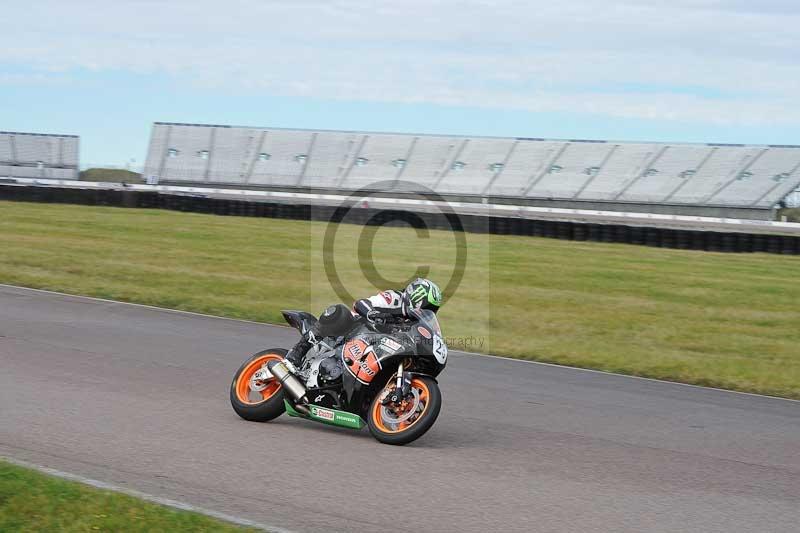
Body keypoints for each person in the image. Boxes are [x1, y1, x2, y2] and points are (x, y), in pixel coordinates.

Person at [284, 278, 443, 367]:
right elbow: (360, 304)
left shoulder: (413, 322)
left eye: (432, 309)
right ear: (417, 297)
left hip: (372, 350)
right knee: (340, 312)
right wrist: (374, 314)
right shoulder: (394, 298)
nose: (428, 311)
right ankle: (297, 352)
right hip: (350, 332)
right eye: (427, 306)